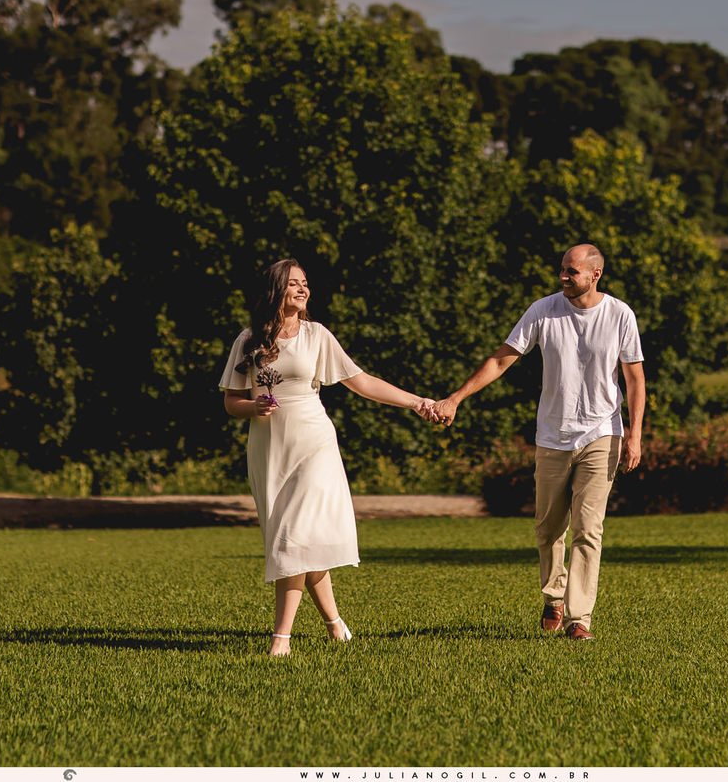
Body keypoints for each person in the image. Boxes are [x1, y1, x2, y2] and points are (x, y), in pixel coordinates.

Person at [220, 259, 435, 656]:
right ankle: (336, 625)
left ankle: (280, 639)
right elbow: (232, 401)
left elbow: (362, 381)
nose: (302, 290)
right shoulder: (249, 340)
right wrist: (253, 408)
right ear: (275, 291)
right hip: (269, 448)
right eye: (293, 284)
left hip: (314, 443)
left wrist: (416, 401)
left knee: (293, 536)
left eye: (305, 284)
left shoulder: (317, 335)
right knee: (301, 541)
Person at [431, 244, 646, 641]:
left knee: (588, 527)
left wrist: (634, 435)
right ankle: (554, 597)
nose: (563, 277)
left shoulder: (619, 315)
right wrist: (455, 398)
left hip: (603, 432)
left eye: (572, 271)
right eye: (562, 269)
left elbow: (634, 377)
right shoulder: (543, 311)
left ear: (595, 274)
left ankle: (579, 619)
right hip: (552, 436)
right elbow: (501, 359)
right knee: (548, 528)